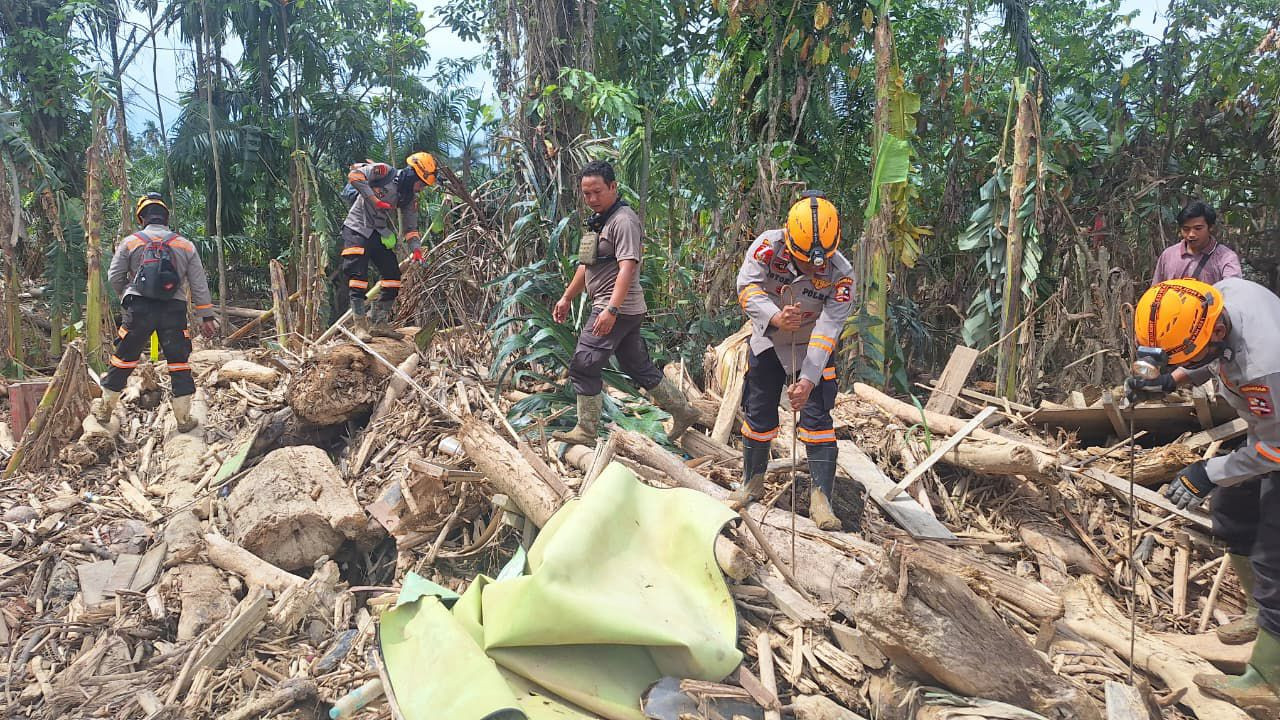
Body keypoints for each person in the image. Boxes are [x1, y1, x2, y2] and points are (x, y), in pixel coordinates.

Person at [1129, 277, 1280, 714]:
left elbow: (1275, 450)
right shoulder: (1214, 298)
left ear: (1216, 331)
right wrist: (1168, 379)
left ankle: (1269, 684)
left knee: (1274, 555)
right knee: (1233, 508)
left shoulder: (1264, 367)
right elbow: (1205, 358)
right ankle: (1259, 614)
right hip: (1270, 430)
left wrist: (1208, 471)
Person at [731, 192, 858, 530]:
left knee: (817, 418)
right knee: (758, 412)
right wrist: (774, 316)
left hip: (810, 346)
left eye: (817, 263)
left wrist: (808, 379)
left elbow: (829, 329)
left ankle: (821, 500)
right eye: (802, 262)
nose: (810, 268)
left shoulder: (842, 275)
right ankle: (751, 482)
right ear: (789, 241)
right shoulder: (766, 247)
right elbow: (746, 287)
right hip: (767, 340)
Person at [551, 159, 697, 444]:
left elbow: (628, 267)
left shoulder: (623, 220)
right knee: (636, 366)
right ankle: (683, 410)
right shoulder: (598, 221)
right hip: (619, 309)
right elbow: (586, 266)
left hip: (615, 307)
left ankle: (586, 430)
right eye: (586, 193)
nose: (591, 198)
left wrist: (611, 310)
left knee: (584, 364)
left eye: (597, 192)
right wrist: (567, 296)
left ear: (613, 187)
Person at [95, 192, 217, 432]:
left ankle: (104, 409)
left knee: (124, 357)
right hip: (173, 310)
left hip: (139, 308)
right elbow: (198, 283)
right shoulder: (185, 245)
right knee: (178, 362)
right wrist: (207, 316)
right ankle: (183, 419)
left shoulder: (130, 242)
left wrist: (128, 295)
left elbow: (114, 276)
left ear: (142, 218)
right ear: (165, 217)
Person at [341, 152, 436, 339]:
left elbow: (411, 227)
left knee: (392, 274)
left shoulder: (408, 197)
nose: (422, 188)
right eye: (421, 183)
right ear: (412, 175)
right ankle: (359, 326)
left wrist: (416, 248)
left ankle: (379, 321)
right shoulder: (384, 171)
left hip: (377, 232)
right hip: (357, 228)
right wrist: (374, 200)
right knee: (358, 276)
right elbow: (355, 176)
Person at [1150, 201, 1242, 286]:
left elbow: (1232, 292)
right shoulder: (1168, 255)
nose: (1191, 235)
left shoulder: (1226, 258)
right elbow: (1155, 292)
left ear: (1211, 227)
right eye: (1186, 229)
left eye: (1198, 228)